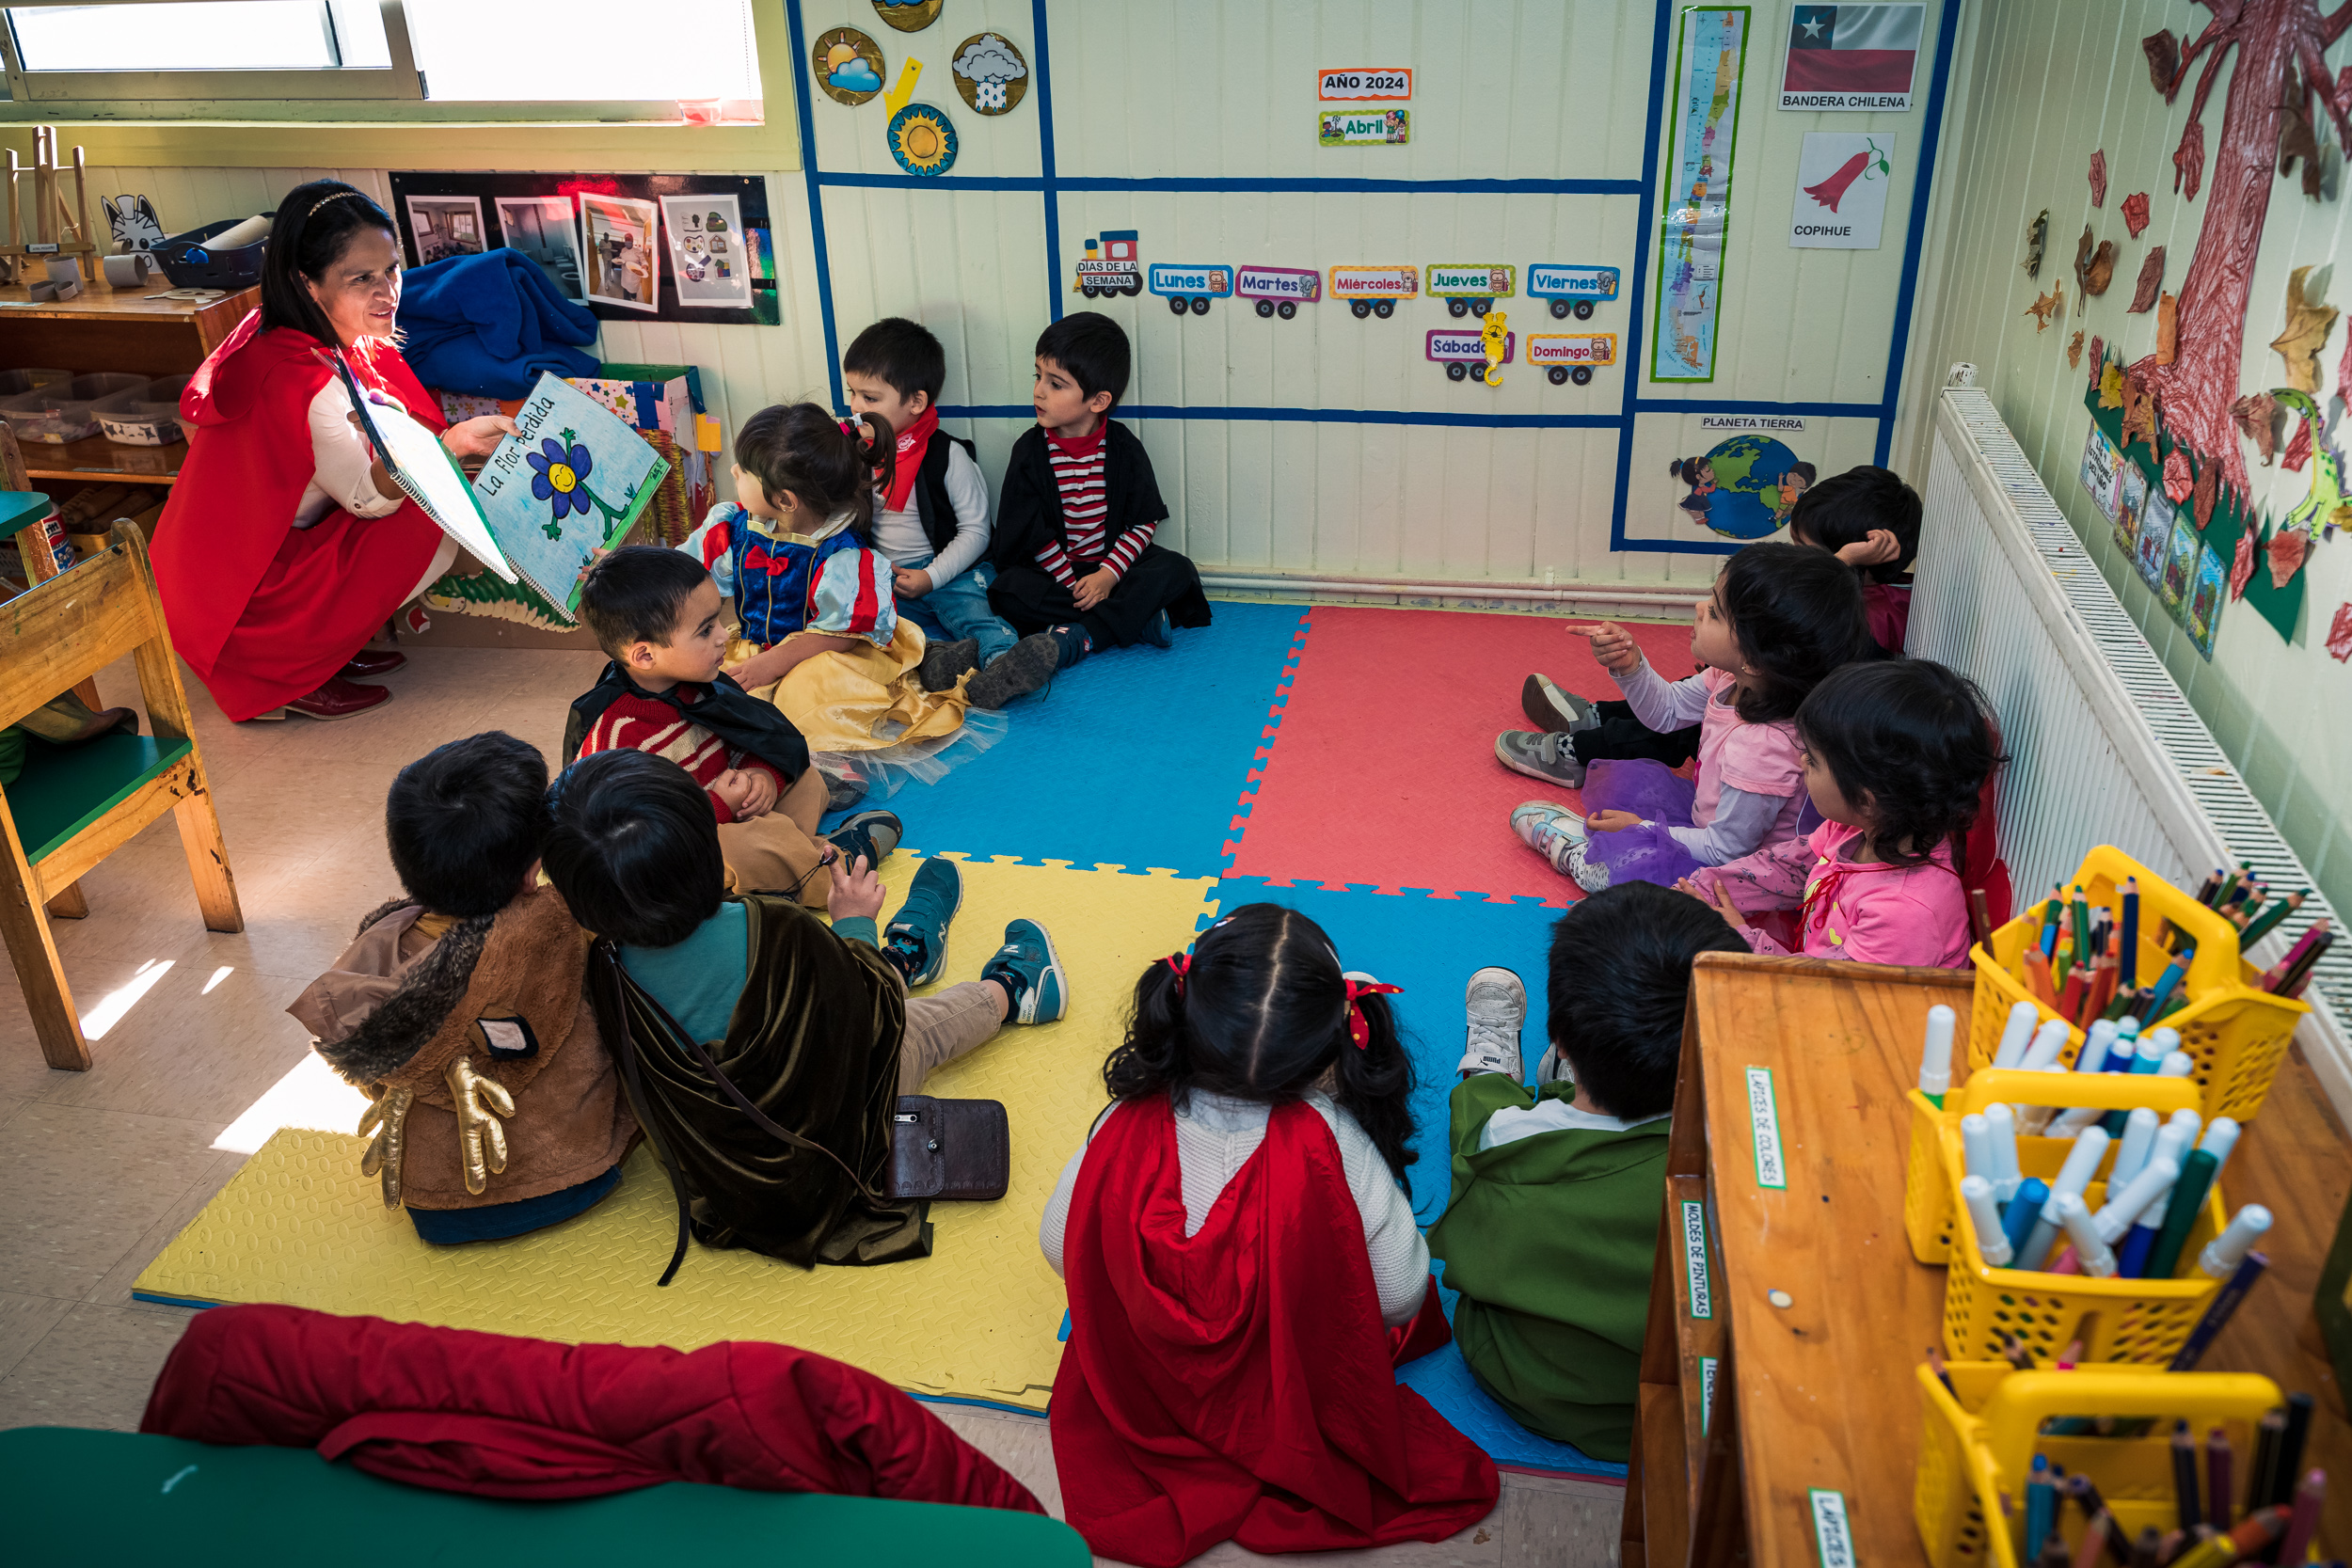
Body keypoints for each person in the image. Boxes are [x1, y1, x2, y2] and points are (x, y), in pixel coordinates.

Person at [1039, 904, 1499, 1567]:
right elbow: (1400, 1295)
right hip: (1284, 1397)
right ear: (1327, 1047)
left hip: (1150, 1390)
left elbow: (1060, 1245)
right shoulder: (1331, 1140)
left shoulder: (1122, 1120)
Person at [544, 749, 1066, 1274]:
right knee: (918, 1031)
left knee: (853, 983)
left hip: (724, 1182)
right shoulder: (775, 929)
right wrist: (854, 922)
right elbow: (871, 1012)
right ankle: (1013, 989)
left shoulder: (601, 964)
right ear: (710, 849)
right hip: (829, 1154)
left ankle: (908, 957)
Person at [151, 180, 516, 721]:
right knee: (436, 510)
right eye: (361, 279)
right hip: (243, 604)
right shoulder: (308, 380)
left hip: (229, 572)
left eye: (392, 269)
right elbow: (369, 500)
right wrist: (448, 448)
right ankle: (285, 673)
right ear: (308, 284)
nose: (388, 292)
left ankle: (323, 651)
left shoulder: (289, 331)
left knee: (437, 488)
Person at [1429, 883, 1748, 1459]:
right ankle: (1573, 1084)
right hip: (1668, 1408)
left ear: (1560, 1034)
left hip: (1520, 1376)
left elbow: (1465, 1251)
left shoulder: (1511, 1145)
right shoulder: (1742, 1151)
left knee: (1478, 1114)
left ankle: (1495, 1070)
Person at [287, 732, 636, 1243]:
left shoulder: (380, 946)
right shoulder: (556, 920)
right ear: (532, 872)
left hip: (435, 1205)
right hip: (573, 1174)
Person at [1503, 542, 1871, 892]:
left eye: (1714, 612)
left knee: (1637, 874)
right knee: (1632, 795)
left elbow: (1726, 852)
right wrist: (1630, 665)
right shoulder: (1731, 677)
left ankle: (1584, 860)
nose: (1698, 607)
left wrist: (1643, 829)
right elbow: (1666, 712)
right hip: (1708, 827)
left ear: (1755, 659)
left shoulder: (1763, 748)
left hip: (1746, 870)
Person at [681, 404, 994, 794]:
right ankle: (932, 662)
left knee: (806, 695)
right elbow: (684, 573)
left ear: (785, 500)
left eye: (744, 471)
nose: (733, 472)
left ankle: (833, 767)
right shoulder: (732, 526)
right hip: (755, 646)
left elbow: (843, 634)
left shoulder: (843, 555)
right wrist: (635, 572)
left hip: (822, 651)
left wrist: (776, 662)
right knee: (710, 691)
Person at [564, 545, 898, 911]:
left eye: (718, 621)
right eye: (706, 630)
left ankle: (786, 867)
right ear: (645, 655)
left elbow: (744, 740)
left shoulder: (695, 686)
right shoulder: (616, 738)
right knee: (747, 844)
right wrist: (720, 806)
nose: (724, 635)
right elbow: (640, 838)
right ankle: (833, 873)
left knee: (806, 779)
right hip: (686, 848)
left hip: (733, 809)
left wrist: (763, 775)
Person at [1676, 659, 2001, 968]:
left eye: (1813, 759)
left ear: (1866, 800)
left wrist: (1738, 939)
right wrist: (1705, 889)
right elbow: (1785, 870)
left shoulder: (1904, 911)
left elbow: (1825, 990)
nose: (1802, 762)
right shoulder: (1855, 829)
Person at [841, 317, 1053, 708]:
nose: (855, 408)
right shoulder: (855, 455)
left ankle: (1003, 664)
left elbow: (976, 532)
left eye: (869, 398)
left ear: (916, 402)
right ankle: (940, 660)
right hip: (888, 577)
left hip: (949, 572)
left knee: (972, 611)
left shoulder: (947, 455)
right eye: (852, 393)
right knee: (882, 630)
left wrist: (931, 576)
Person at [987, 312, 1212, 671]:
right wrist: (1073, 585)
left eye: (1056, 384)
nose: (1039, 391)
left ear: (1098, 400)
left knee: (1176, 569)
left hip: (1112, 569)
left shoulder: (1123, 447)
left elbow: (1143, 522)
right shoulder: (1029, 451)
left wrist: (1107, 577)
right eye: (1038, 375)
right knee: (1007, 591)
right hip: (1056, 574)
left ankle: (1081, 635)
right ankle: (1134, 621)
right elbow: (1030, 535)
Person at [1788, 464, 1924, 655]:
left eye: (1803, 548)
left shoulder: (1867, 619)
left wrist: (1842, 561)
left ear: (1864, 552)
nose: (1794, 558)